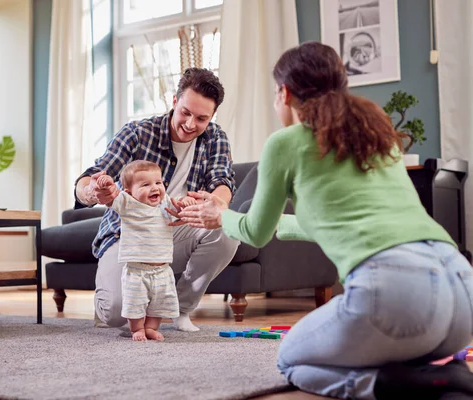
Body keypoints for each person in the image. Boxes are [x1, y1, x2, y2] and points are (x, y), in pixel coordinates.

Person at [174, 42, 473, 399]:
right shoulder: (377, 135)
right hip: (462, 292)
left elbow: (253, 231)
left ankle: (393, 385)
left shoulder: (286, 142)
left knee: (290, 360)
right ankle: (439, 374)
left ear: (284, 94)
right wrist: (281, 225)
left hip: (398, 296)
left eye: (274, 93)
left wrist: (221, 216)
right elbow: (345, 225)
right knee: (397, 341)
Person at [74, 67, 240, 332]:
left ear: (212, 116)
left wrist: (218, 204)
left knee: (227, 231)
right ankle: (111, 303)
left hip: (174, 232)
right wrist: (93, 191)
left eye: (201, 118)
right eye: (185, 113)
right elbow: (90, 178)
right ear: (174, 102)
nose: (190, 124)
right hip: (127, 236)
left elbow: (223, 181)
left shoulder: (215, 138)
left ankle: (179, 308)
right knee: (117, 316)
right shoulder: (138, 133)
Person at [96, 160, 196, 341]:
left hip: (162, 270)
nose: (155, 188)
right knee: (135, 303)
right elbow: (111, 198)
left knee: (159, 304)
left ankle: (150, 328)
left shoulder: (165, 203)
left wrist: (185, 202)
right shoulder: (127, 203)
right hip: (137, 270)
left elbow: (178, 206)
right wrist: (107, 184)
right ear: (130, 192)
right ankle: (137, 329)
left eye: (158, 183)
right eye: (146, 185)